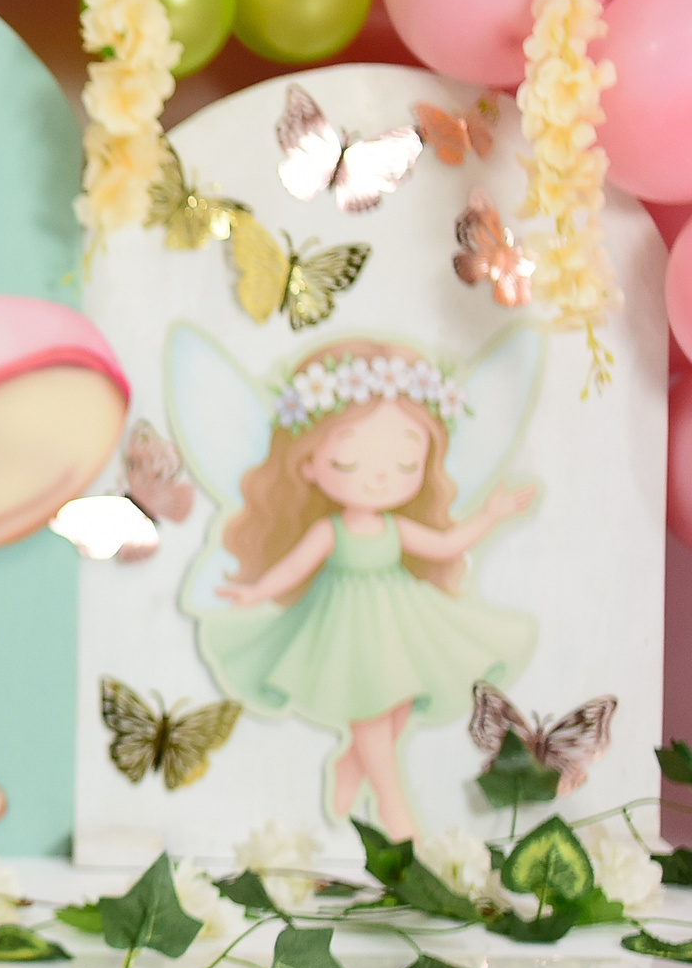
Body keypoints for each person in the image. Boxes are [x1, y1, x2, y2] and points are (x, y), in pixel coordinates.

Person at [198, 341, 537, 838]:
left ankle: (351, 768)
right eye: (351, 462)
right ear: (308, 462)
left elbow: (446, 545)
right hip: (343, 628)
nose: (379, 478)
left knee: (396, 709)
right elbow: (294, 566)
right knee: (372, 709)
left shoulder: (395, 530)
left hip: (399, 622)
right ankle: (394, 807)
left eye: (404, 465)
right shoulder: (330, 530)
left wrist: (491, 514)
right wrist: (256, 591)